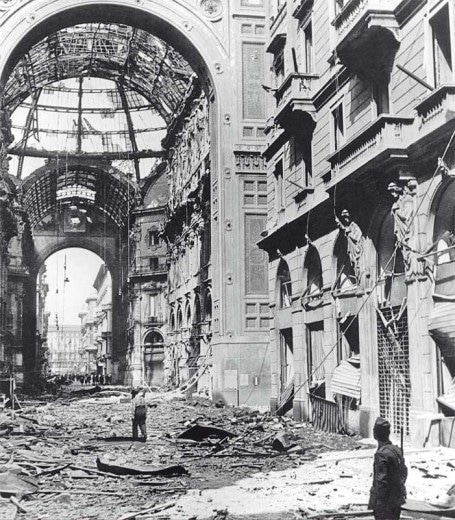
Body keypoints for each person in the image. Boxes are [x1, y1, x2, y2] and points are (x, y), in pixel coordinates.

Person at [369, 417, 407, 520]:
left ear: (375, 434)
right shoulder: (397, 450)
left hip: (385, 503)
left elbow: (381, 481)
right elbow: (404, 472)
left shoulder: (381, 454)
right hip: (397, 499)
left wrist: (379, 504)